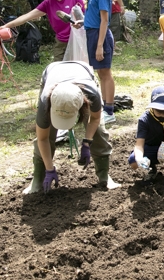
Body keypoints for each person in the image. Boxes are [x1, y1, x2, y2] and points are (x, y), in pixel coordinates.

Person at [22, 60, 120, 194]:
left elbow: (95, 118)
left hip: (82, 74)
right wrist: (49, 169)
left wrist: (87, 142)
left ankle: (104, 176)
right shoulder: (46, 102)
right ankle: (38, 179)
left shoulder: (91, 94)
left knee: (99, 131)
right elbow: (42, 139)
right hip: (53, 74)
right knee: (47, 133)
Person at [0, 0, 85, 61]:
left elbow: (88, 19)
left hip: (77, 41)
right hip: (61, 42)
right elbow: (27, 16)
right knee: (58, 70)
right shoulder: (48, 2)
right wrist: (5, 26)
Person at [72, 0, 117, 125]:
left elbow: (105, 20)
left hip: (100, 36)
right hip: (93, 33)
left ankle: (109, 110)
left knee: (105, 74)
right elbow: (96, 17)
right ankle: (105, 107)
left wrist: (100, 46)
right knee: (101, 73)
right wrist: (83, 22)